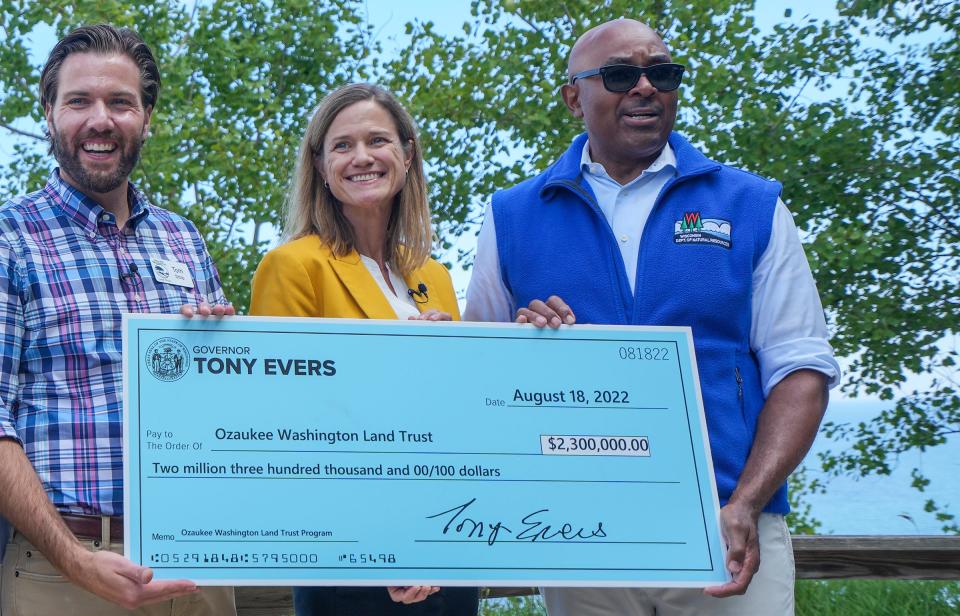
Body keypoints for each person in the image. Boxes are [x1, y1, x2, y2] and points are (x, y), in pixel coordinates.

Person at [464, 18, 841, 616]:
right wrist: (523, 343)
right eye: (620, 74)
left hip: (724, 530)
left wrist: (744, 503)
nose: (645, 86)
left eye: (661, 73)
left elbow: (801, 369)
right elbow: (476, 371)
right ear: (573, 97)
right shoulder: (510, 215)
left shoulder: (752, 204)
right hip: (575, 534)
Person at [0, 24, 235, 615]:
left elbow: (229, 413)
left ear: (147, 116)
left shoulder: (184, 240)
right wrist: (76, 561)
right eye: (79, 101)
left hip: (198, 567)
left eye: (121, 102)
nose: (100, 119)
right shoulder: (10, 237)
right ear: (49, 113)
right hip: (65, 575)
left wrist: (223, 355)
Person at [249, 83, 479, 616]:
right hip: (348, 558)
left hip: (445, 547)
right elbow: (287, 427)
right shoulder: (292, 265)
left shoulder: (435, 276)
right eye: (342, 145)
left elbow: (457, 423)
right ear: (321, 164)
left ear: (406, 153)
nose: (362, 158)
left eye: (377, 140)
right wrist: (380, 547)